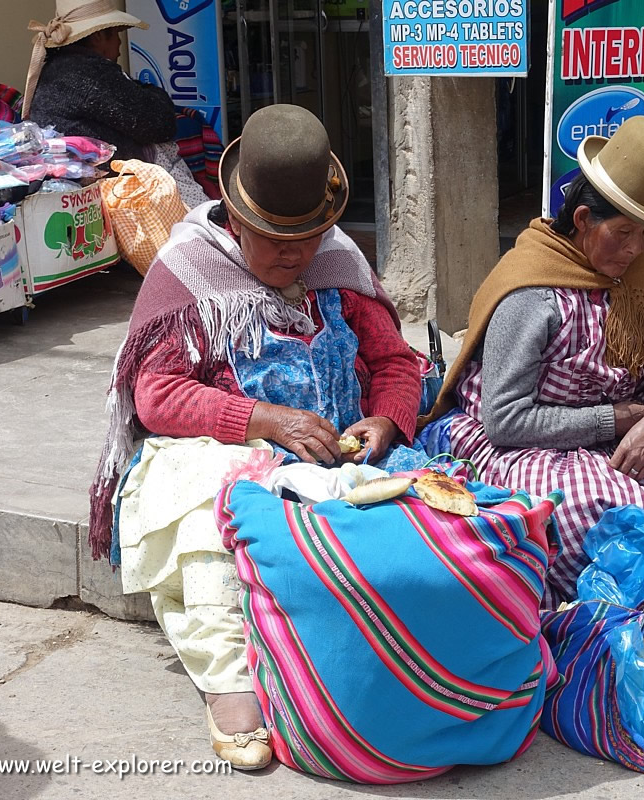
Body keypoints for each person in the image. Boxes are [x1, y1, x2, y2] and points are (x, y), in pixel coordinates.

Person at [88, 105, 423, 770]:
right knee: (210, 530)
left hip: (336, 455)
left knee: (429, 516)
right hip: (227, 457)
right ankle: (229, 681)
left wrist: (385, 419)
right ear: (235, 218)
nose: (296, 253)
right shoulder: (187, 274)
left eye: (311, 234)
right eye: (274, 238)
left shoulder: (339, 264)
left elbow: (394, 362)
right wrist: (265, 422)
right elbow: (155, 396)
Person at [419, 116, 644, 605]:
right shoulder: (530, 292)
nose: (635, 249)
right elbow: (505, 421)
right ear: (585, 220)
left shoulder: (641, 278)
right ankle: (612, 601)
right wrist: (612, 420)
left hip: (628, 432)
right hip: (530, 444)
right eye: (624, 232)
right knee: (582, 507)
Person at [23, 0, 208, 206]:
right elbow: (160, 124)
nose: (120, 43)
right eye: (116, 34)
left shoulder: (59, 69)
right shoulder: (89, 74)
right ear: (98, 36)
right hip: (111, 191)